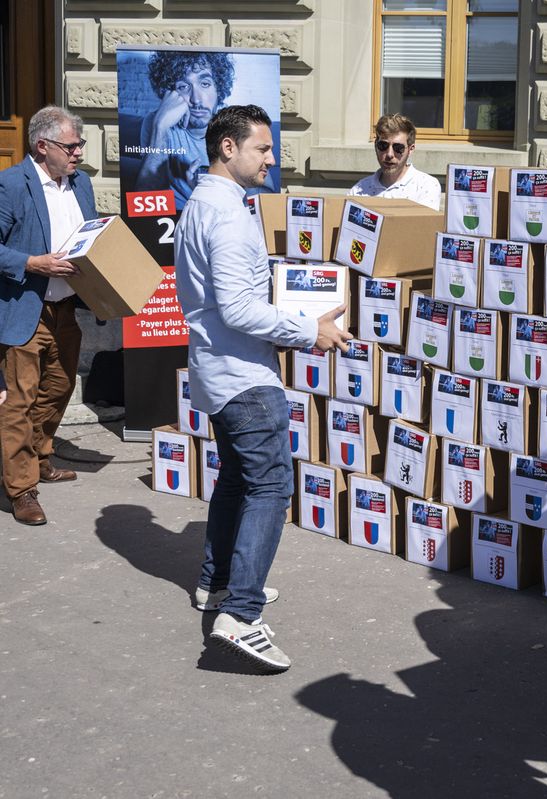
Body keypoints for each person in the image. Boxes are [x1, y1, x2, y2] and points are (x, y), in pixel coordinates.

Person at [175, 104, 352, 673]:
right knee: (271, 487)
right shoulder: (224, 215)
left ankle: (218, 586)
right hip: (244, 377)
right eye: (262, 148)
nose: (272, 158)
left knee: (235, 480)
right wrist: (311, 331)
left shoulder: (206, 202)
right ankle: (241, 615)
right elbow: (238, 308)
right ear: (228, 149)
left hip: (220, 371)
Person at [0, 105, 98, 526]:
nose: (78, 152)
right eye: (71, 145)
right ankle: (21, 489)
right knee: (19, 401)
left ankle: (39, 458)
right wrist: (31, 263)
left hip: (66, 308)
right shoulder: (10, 184)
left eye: (79, 145)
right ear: (43, 146)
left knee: (57, 389)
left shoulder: (82, 184)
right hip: (26, 306)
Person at [136, 51, 238, 208]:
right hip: (172, 222)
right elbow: (144, 204)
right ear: (170, 94)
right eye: (183, 86)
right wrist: (160, 127)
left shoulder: (236, 126)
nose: (196, 99)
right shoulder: (157, 122)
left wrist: (204, 193)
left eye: (205, 84)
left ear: (218, 87)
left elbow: (264, 193)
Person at [348, 113, 441, 210]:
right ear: (375, 145)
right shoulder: (359, 190)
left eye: (398, 148)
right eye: (383, 145)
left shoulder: (426, 186)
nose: (389, 154)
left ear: (411, 149)